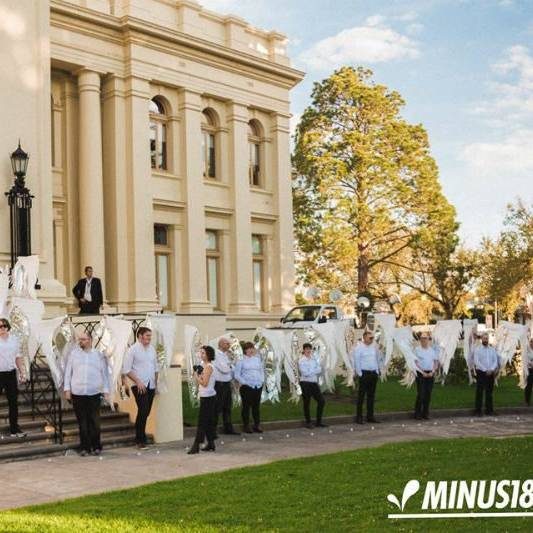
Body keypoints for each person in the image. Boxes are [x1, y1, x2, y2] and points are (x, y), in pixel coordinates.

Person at [64, 331, 110, 456]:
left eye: (83, 339)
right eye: (80, 339)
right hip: (78, 392)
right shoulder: (74, 354)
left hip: (94, 392)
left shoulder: (98, 355)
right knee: (82, 422)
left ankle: (96, 446)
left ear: (90, 340)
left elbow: (105, 374)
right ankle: (85, 447)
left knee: (95, 421)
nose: (81, 341)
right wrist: (67, 390)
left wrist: (106, 391)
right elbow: (68, 372)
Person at [122, 326, 159, 449]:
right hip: (138, 385)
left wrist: (156, 384)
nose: (149, 338)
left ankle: (140, 437)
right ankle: (140, 440)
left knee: (146, 412)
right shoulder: (132, 350)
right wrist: (138, 381)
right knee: (143, 411)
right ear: (140, 336)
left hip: (151, 384)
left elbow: (156, 368)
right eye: (147, 335)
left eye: (150, 336)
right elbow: (126, 369)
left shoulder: (152, 349)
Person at [188, 345, 217, 454]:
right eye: (201, 352)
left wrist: (196, 375)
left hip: (209, 397)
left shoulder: (209, 366)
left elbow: (204, 383)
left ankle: (196, 445)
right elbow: (201, 380)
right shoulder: (202, 365)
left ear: (208, 355)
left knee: (202, 422)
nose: (201, 354)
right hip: (205, 396)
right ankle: (211, 443)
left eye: (203, 353)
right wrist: (197, 372)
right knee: (208, 421)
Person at [0, 318, 27, 438]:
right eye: (0, 326)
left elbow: (18, 357)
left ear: (8, 327)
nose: (2, 328)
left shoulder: (14, 340)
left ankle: (14, 429)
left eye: (4, 326)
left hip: (11, 374)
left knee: (13, 403)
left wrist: (22, 372)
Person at [351, 331, 382, 424]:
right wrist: (359, 373)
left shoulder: (374, 347)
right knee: (361, 396)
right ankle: (359, 417)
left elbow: (377, 358)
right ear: (364, 338)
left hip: (373, 373)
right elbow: (356, 361)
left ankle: (370, 416)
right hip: (364, 374)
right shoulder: (359, 348)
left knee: (371, 396)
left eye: (372, 338)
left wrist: (377, 370)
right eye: (370, 338)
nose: (372, 339)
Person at [234, 341, 264, 433]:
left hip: (257, 385)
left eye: (252, 348)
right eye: (248, 348)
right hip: (247, 386)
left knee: (256, 406)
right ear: (245, 350)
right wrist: (245, 383)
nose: (251, 350)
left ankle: (257, 424)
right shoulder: (241, 360)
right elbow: (237, 375)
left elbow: (261, 371)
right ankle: (246, 425)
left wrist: (262, 380)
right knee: (246, 407)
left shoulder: (257, 359)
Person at [213, 337, 239, 436]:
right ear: (220, 344)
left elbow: (232, 369)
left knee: (227, 407)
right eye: (226, 343)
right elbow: (224, 369)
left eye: (229, 344)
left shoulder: (226, 355)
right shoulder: (216, 354)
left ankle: (228, 428)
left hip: (227, 383)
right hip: (219, 384)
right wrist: (230, 366)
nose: (229, 345)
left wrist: (230, 366)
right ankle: (212, 430)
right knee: (217, 408)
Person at [299, 342, 326, 429]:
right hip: (305, 383)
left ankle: (318, 421)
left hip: (313, 383)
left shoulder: (314, 359)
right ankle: (308, 422)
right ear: (303, 350)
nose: (308, 350)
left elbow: (319, 369)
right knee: (307, 403)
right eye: (306, 349)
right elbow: (305, 373)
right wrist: (314, 371)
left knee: (321, 401)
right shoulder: (301, 360)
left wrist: (312, 371)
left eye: (309, 349)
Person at [414, 332, 439, 420]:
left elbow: (436, 362)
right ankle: (417, 413)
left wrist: (433, 371)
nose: (423, 340)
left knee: (428, 394)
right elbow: (415, 363)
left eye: (425, 338)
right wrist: (422, 372)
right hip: (421, 374)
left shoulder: (432, 351)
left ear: (428, 340)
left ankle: (425, 413)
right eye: (421, 338)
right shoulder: (417, 350)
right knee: (421, 394)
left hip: (430, 374)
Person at [473, 332, 500, 416]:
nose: (486, 340)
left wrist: (491, 369)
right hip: (481, 373)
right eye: (484, 338)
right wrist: (485, 370)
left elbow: (495, 360)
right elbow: (477, 362)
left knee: (489, 392)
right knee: (480, 392)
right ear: (481, 339)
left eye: (487, 338)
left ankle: (489, 410)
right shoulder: (478, 349)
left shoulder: (492, 349)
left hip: (490, 373)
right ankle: (478, 411)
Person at [524, 338, 533, 405]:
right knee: (529, 385)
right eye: (531, 342)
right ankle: (527, 401)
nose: (532, 343)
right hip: (530, 370)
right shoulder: (527, 350)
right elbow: (526, 359)